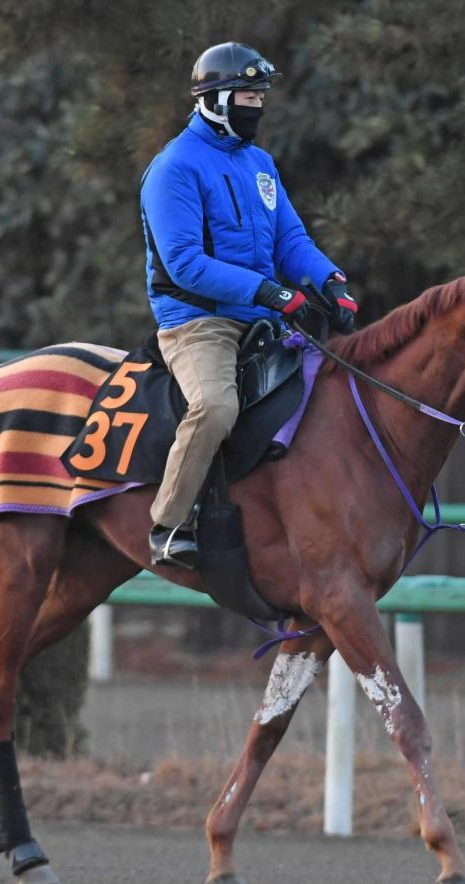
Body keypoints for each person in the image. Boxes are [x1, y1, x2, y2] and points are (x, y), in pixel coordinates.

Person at [140, 40, 358, 568]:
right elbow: (184, 263)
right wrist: (270, 292)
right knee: (216, 408)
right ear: (213, 101)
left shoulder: (260, 164)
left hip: (262, 318)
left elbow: (290, 241)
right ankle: (168, 525)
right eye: (247, 97)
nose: (257, 107)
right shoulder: (173, 168)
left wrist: (329, 281)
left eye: (261, 98)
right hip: (198, 324)